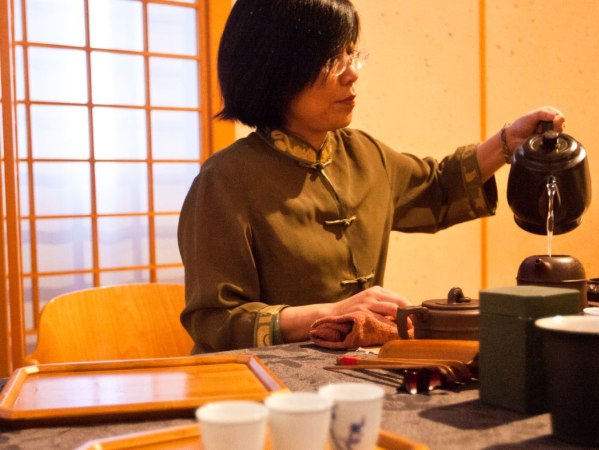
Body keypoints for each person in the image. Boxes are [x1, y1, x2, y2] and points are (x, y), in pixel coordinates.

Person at [177, 0, 565, 353]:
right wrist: (328, 314)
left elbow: (436, 186)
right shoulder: (225, 180)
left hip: (354, 367)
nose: (353, 74)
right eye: (333, 59)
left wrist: (506, 141)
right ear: (277, 67)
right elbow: (214, 319)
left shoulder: (363, 154)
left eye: (351, 54)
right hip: (262, 387)